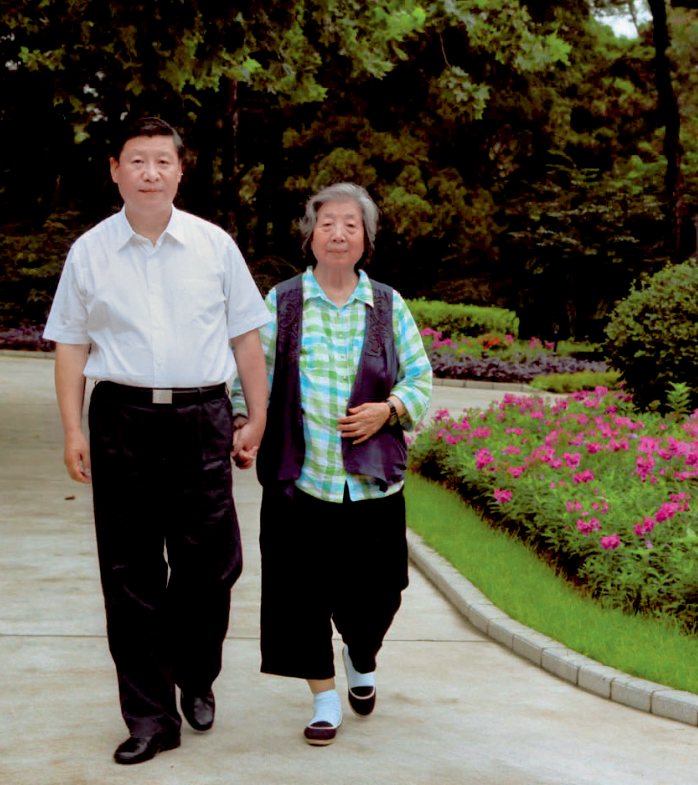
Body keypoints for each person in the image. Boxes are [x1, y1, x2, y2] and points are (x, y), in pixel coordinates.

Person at [42, 117, 271, 765]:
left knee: (213, 566)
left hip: (202, 417)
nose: (150, 172)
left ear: (179, 170)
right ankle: (150, 717)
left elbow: (246, 337)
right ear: (115, 170)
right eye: (137, 160)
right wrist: (72, 427)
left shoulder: (213, 246)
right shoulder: (89, 251)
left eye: (162, 161)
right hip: (122, 420)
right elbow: (71, 344)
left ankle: (195, 674)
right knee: (130, 573)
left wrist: (256, 416)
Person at [231, 182, 432, 746]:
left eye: (350, 224)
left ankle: (361, 656)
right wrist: (246, 423)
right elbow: (251, 374)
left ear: (366, 238)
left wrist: (389, 409)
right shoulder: (282, 302)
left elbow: (420, 376)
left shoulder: (388, 304)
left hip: (373, 487)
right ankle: (323, 698)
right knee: (299, 595)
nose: (338, 233)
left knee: (382, 591)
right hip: (299, 482)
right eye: (327, 223)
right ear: (310, 236)